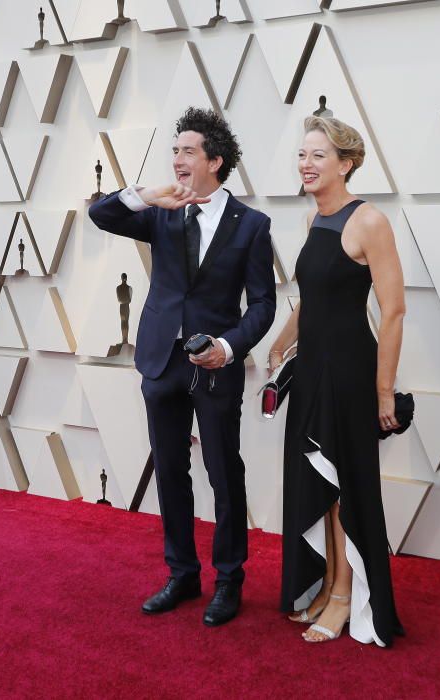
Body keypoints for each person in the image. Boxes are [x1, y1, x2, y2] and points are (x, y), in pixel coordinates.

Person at [88, 107, 275, 627]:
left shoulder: (252, 225)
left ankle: (229, 580)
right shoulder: (163, 210)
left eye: (187, 151)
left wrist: (230, 346)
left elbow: (262, 305)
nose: (177, 160)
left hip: (215, 366)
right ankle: (182, 574)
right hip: (161, 361)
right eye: (175, 151)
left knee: (223, 472)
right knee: (170, 470)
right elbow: (101, 215)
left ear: (215, 160)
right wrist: (146, 195)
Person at [268, 116, 405, 645]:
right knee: (320, 485)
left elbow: (393, 311)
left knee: (345, 486)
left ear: (346, 163)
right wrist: (284, 340)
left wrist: (384, 390)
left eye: (318, 155)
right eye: (302, 154)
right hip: (311, 370)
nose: (306, 163)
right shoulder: (312, 222)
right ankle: (329, 583)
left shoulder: (369, 221)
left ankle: (349, 598)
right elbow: (313, 296)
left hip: (350, 372)